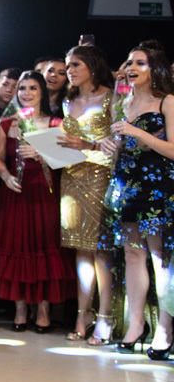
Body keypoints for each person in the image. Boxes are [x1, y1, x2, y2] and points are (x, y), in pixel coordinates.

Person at [0, 71, 73, 332]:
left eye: (33, 88)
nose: (26, 93)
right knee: (17, 247)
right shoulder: (6, 124)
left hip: (45, 192)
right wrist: (5, 176)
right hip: (16, 192)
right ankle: (20, 310)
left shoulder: (56, 122)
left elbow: (65, 160)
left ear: (42, 92)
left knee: (44, 247)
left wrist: (42, 154)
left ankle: (43, 310)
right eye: (22, 88)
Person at [103, 41, 174, 356]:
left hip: (157, 186)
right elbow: (118, 143)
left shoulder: (167, 102)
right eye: (129, 62)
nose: (132, 68)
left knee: (160, 258)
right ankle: (135, 325)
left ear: (155, 68)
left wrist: (139, 133)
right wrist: (108, 145)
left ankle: (165, 329)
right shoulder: (121, 103)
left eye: (140, 63)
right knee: (133, 255)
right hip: (126, 184)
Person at [55, 45, 115, 344]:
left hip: (100, 175)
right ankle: (83, 313)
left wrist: (88, 145)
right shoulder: (68, 100)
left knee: (101, 250)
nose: (70, 71)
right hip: (71, 176)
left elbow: (118, 142)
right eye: (68, 66)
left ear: (92, 65)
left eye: (75, 65)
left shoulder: (112, 97)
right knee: (80, 249)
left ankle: (105, 316)